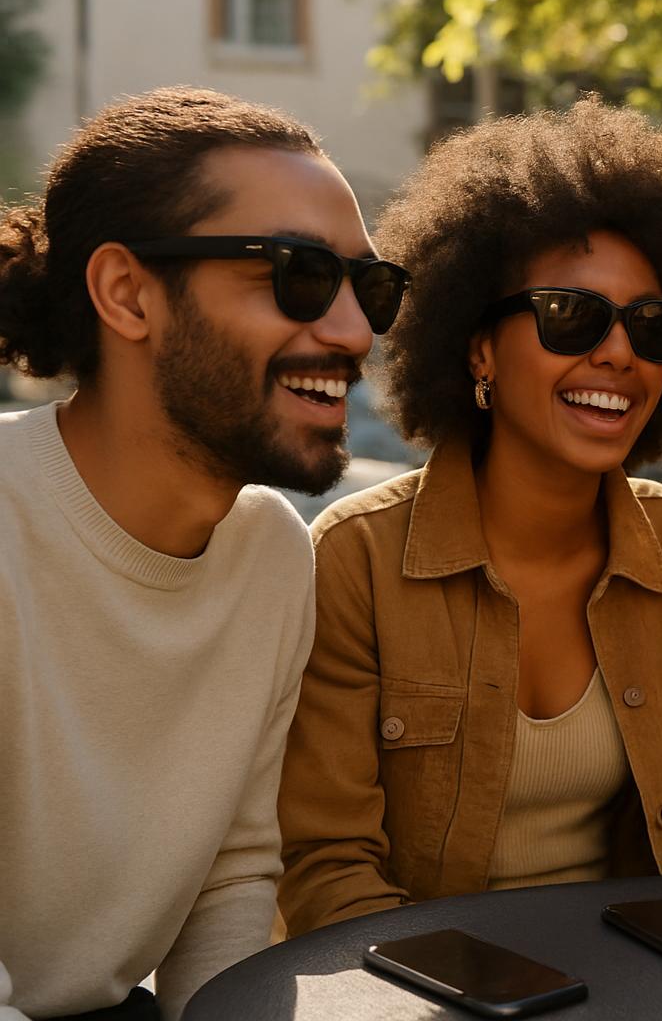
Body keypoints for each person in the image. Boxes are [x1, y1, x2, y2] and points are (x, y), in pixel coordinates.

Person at [275, 99, 662, 935]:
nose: (617, 353)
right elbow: (326, 866)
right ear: (478, 347)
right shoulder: (355, 560)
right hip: (414, 985)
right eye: (571, 315)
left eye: (650, 327)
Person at [0, 88, 400, 1019]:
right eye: (300, 274)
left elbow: (232, 877)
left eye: (371, 288)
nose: (352, 332)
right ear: (127, 294)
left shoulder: (272, 553)